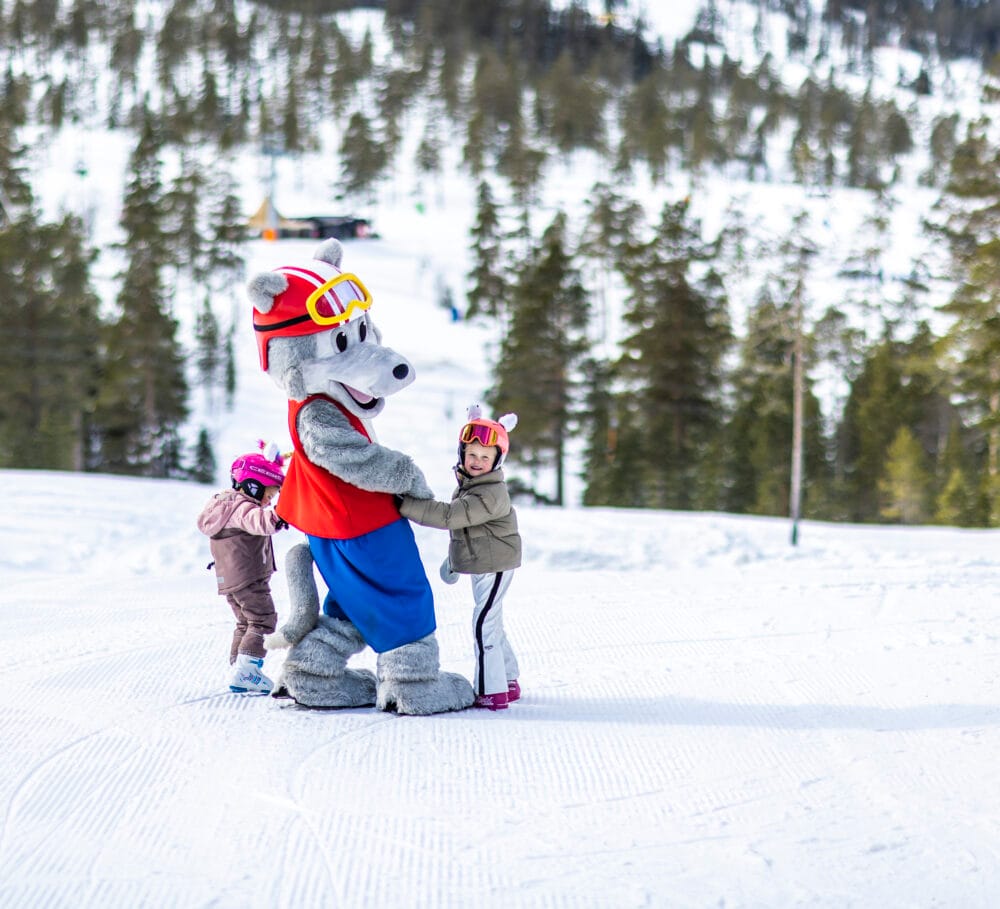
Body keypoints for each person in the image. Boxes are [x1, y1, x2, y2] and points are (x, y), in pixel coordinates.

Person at [399, 406, 522, 711]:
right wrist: (453, 562)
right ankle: (508, 678)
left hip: (496, 565)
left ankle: (491, 690)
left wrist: (406, 506)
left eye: (485, 457)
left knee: (483, 624)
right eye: (472, 455)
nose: (477, 462)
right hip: (485, 562)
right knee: (490, 620)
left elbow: (452, 517)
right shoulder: (471, 485)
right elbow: (469, 532)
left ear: (496, 461)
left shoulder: (491, 493)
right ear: (462, 454)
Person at [197, 442, 288, 694]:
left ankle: (239, 668)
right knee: (262, 619)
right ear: (253, 485)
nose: (270, 501)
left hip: (229, 578)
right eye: (270, 495)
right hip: (249, 578)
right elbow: (261, 522)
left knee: (244, 622)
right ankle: (249, 671)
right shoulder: (242, 508)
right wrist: (280, 515)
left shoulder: (222, 505)